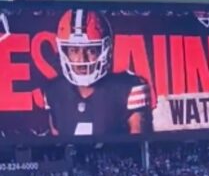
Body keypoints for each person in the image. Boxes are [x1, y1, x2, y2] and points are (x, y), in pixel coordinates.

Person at [43, 8, 151, 137]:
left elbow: (139, 143)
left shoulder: (129, 88)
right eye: (74, 50)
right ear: (64, 52)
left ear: (105, 50)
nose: (82, 59)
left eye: (91, 50)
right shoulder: (54, 91)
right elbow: (58, 141)